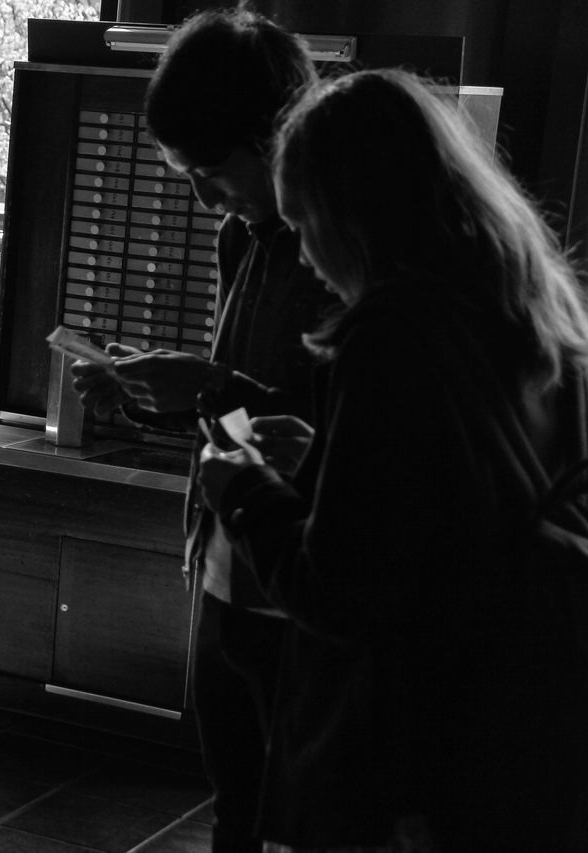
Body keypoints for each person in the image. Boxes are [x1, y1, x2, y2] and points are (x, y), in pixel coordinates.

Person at [198, 68, 588, 851]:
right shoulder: (536, 313)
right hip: (516, 734)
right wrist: (323, 459)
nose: (305, 257)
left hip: (407, 756)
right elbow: (466, 507)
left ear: (356, 216)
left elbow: (339, 589)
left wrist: (240, 488)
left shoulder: (392, 334)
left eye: (305, 224)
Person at [70, 9, 328, 852]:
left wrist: (209, 384)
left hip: (302, 577)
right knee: (234, 801)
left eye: (212, 170)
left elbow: (326, 435)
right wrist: (157, 396)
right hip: (222, 549)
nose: (201, 195)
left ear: (281, 139)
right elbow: (244, 419)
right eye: (182, 171)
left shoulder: (341, 254)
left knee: (294, 814)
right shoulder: (237, 237)